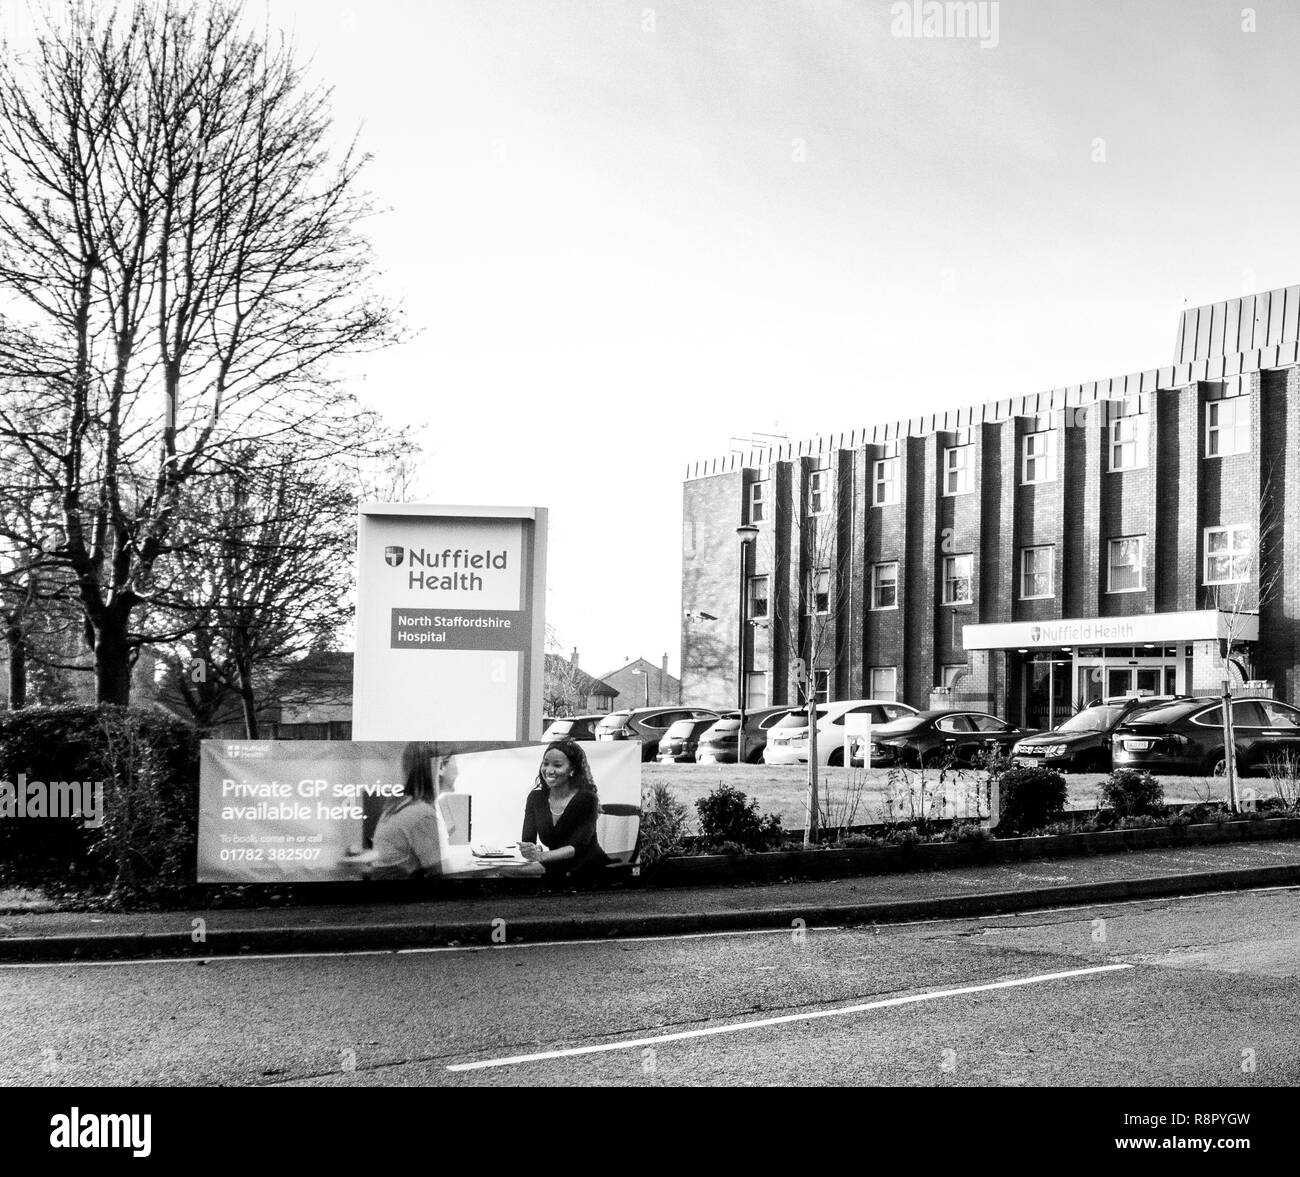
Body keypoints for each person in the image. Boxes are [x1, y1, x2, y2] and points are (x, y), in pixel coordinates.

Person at [353, 742, 458, 880]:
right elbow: (447, 879)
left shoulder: (399, 805)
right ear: (441, 766)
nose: (458, 771)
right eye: (455, 762)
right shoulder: (423, 815)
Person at [519, 738, 610, 881]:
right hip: (555, 867)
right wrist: (531, 850)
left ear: (572, 769)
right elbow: (528, 840)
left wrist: (541, 856)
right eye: (546, 763)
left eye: (557, 765)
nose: (549, 770)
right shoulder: (536, 797)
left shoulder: (587, 798)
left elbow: (578, 847)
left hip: (590, 869)